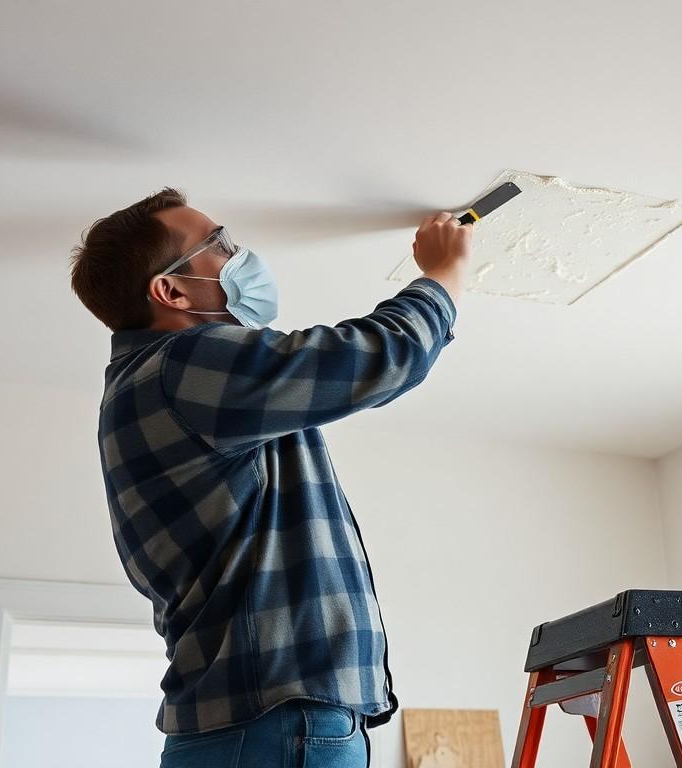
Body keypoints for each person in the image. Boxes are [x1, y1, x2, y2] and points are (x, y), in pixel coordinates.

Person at [68, 187, 469, 767]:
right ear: (172, 291)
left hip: (246, 727)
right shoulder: (182, 366)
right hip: (278, 723)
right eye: (218, 243)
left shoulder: (152, 388)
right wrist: (442, 274)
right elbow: (378, 355)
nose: (238, 253)